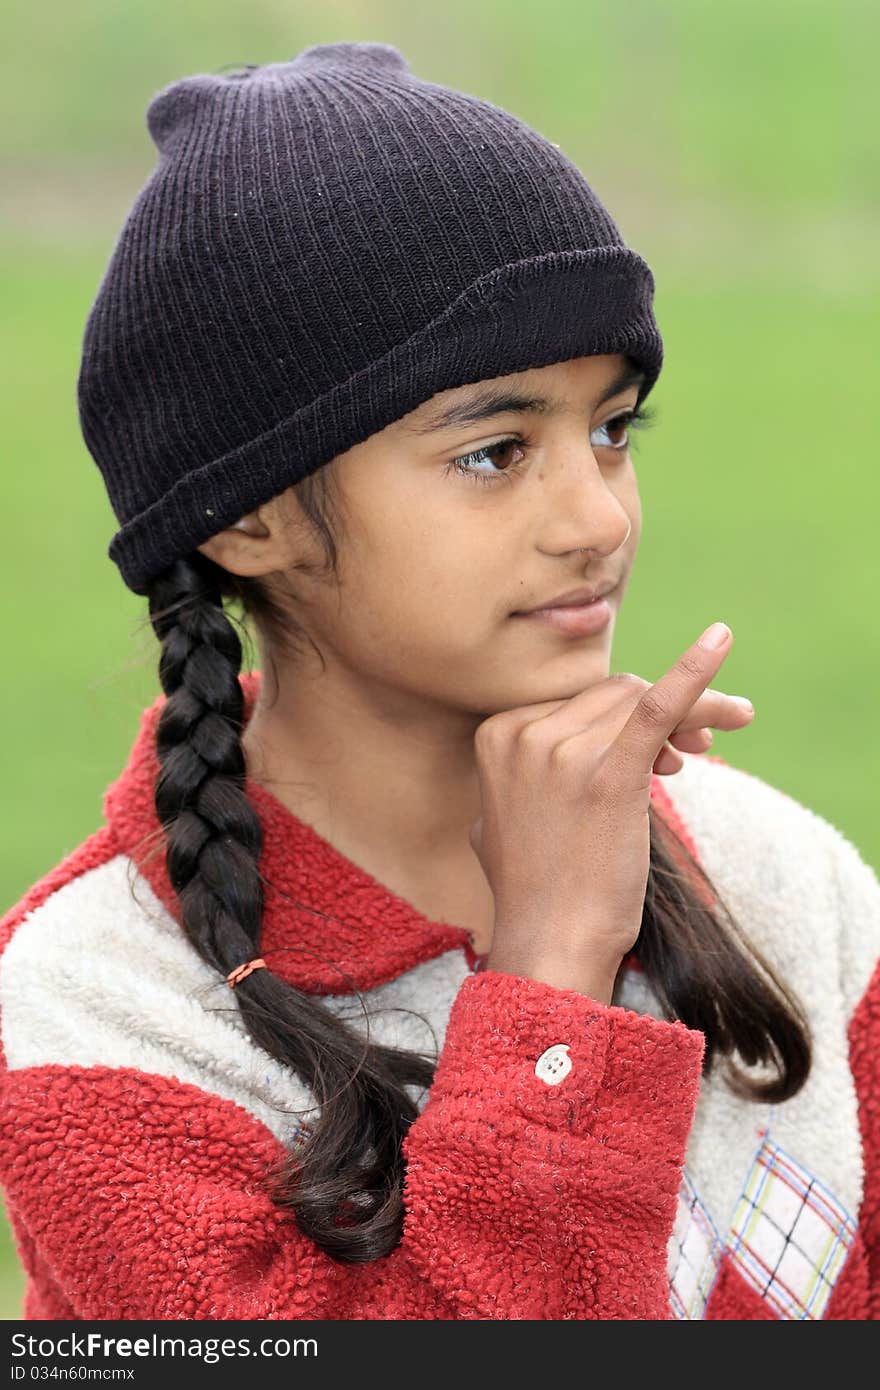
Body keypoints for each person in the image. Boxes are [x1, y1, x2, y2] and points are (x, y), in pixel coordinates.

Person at [0, 40, 876, 1323]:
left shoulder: (783, 882)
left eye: (614, 428)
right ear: (248, 524)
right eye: (495, 450)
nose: (595, 518)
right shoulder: (102, 1017)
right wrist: (551, 979)